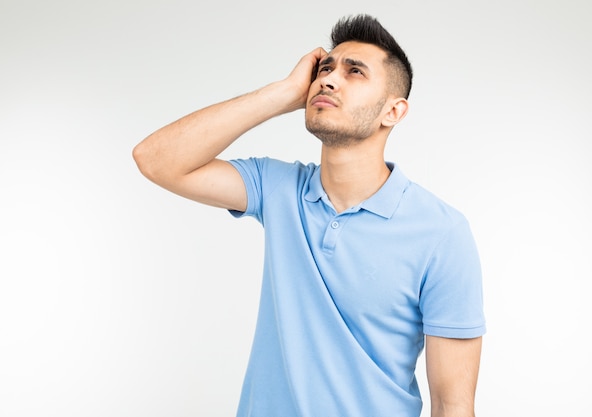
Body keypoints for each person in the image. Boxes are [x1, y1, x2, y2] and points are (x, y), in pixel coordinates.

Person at [133, 14, 485, 417]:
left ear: (393, 111)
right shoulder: (277, 188)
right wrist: (283, 93)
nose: (329, 80)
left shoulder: (442, 233)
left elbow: (452, 405)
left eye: (355, 72)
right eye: (325, 69)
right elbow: (156, 160)